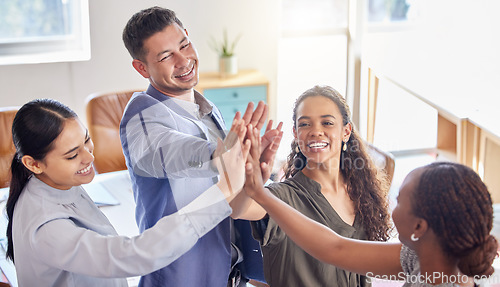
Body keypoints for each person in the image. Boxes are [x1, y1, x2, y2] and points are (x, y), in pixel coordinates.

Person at [5, 98, 250, 287]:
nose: (89, 156)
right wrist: (223, 192)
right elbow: (133, 255)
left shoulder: (50, 184)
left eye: (86, 141)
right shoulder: (47, 228)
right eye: (72, 155)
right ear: (33, 163)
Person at [121, 6, 281, 287]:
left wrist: (250, 164)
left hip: (225, 270)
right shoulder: (141, 115)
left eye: (184, 45)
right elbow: (169, 153)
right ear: (141, 67)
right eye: (166, 56)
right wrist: (220, 154)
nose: (184, 61)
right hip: (179, 276)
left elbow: (227, 190)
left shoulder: (204, 107)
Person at [244, 124, 498, 286]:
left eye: (398, 200)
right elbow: (335, 248)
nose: (390, 204)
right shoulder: (425, 258)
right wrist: (262, 194)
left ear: (419, 227)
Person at [230, 85, 391, 287]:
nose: (316, 131)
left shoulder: (362, 193)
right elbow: (238, 208)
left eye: (327, 122)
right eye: (305, 124)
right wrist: (251, 183)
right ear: (296, 134)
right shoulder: (282, 197)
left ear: (346, 131)